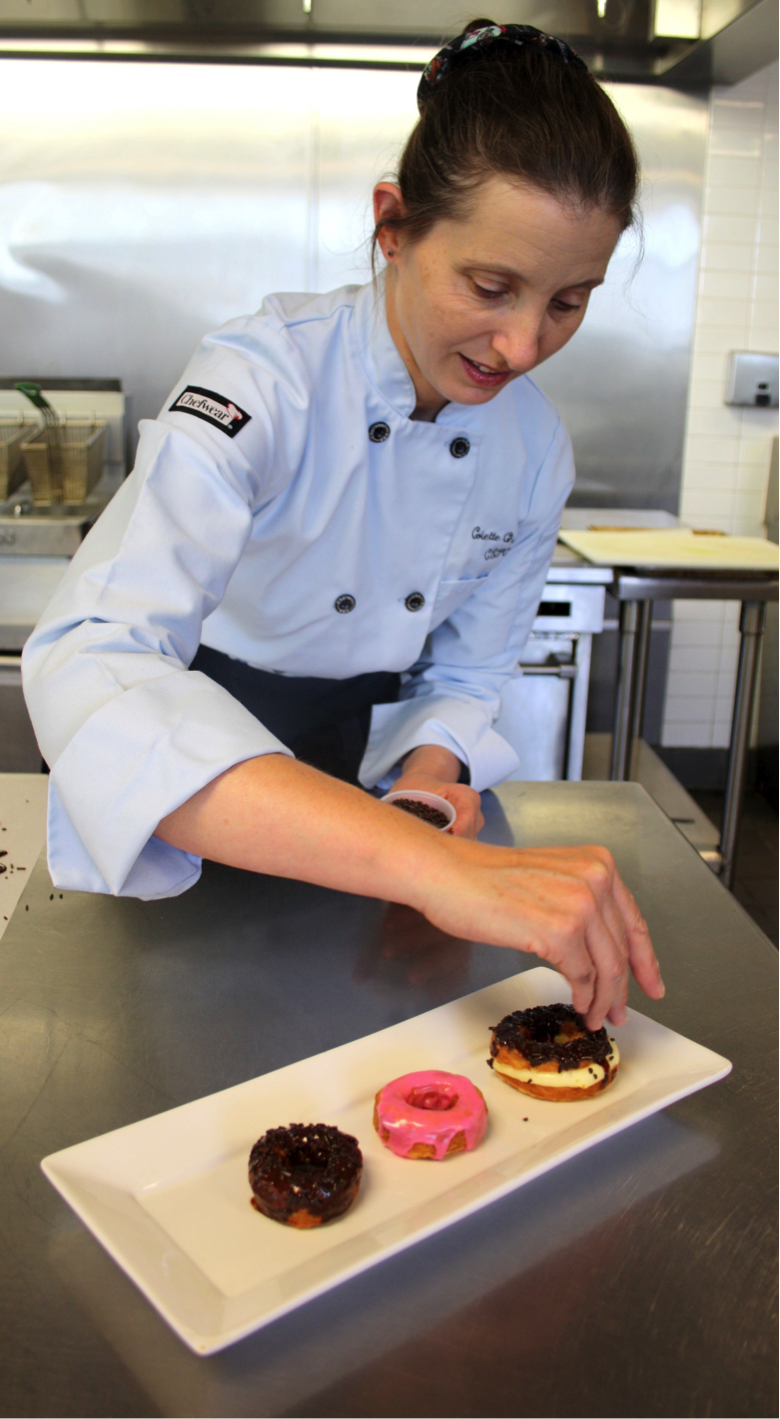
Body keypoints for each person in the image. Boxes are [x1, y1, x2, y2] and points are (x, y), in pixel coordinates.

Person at [23, 20, 665, 1030]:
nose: (522, 343)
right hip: (203, 794)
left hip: (377, 789)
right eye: (491, 287)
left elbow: (464, 676)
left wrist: (422, 787)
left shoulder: (534, 450)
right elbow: (95, 656)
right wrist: (429, 867)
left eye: (568, 303)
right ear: (395, 224)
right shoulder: (262, 379)